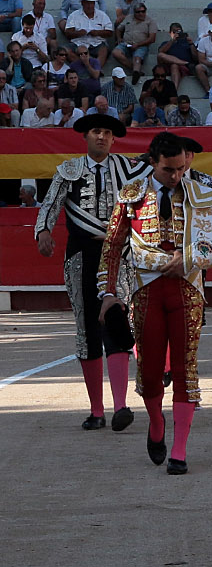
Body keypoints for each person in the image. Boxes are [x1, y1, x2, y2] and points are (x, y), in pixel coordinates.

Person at [96, 132, 212, 475]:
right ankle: (157, 423)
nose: (175, 176)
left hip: (187, 290)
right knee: (149, 371)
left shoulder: (201, 195)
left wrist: (189, 258)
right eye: (168, 169)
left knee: (185, 368)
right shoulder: (132, 195)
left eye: (180, 169)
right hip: (146, 290)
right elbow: (112, 247)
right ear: (153, 162)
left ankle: (179, 450)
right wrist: (107, 292)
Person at [34, 111, 142, 431]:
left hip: (118, 254)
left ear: (113, 139)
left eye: (107, 133)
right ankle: (97, 410)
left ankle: (120, 406)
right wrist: (43, 231)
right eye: (96, 131)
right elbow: (50, 204)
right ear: (85, 136)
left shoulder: (128, 168)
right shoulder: (68, 170)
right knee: (87, 327)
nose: (102, 137)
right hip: (82, 255)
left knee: (117, 320)